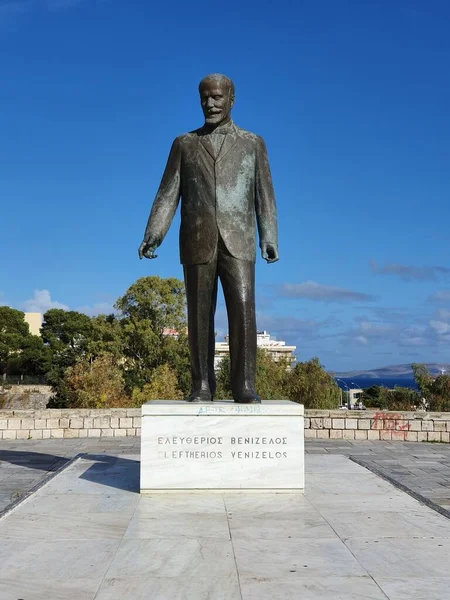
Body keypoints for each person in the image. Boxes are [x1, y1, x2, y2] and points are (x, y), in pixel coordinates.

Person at [139, 74, 278, 403]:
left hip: (239, 241)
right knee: (199, 315)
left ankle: (244, 384)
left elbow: (265, 195)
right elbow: (167, 195)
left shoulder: (252, 143)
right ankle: (202, 384)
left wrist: (268, 235)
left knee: (243, 310)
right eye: (205, 98)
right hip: (196, 240)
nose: (210, 104)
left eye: (217, 97)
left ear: (231, 99)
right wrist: (153, 234)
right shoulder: (184, 144)